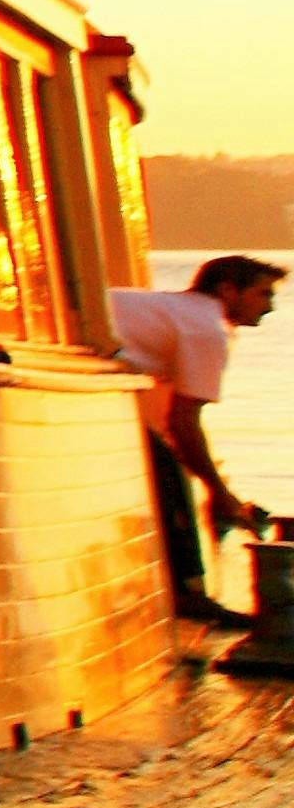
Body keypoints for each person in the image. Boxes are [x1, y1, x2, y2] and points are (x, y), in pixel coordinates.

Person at [111, 255, 280, 623]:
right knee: (167, 474)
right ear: (227, 290)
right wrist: (220, 493)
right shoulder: (207, 329)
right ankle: (189, 594)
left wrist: (216, 486)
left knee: (168, 462)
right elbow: (184, 423)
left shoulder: (185, 313)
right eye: (263, 294)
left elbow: (174, 422)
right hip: (88, 360)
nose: (271, 307)